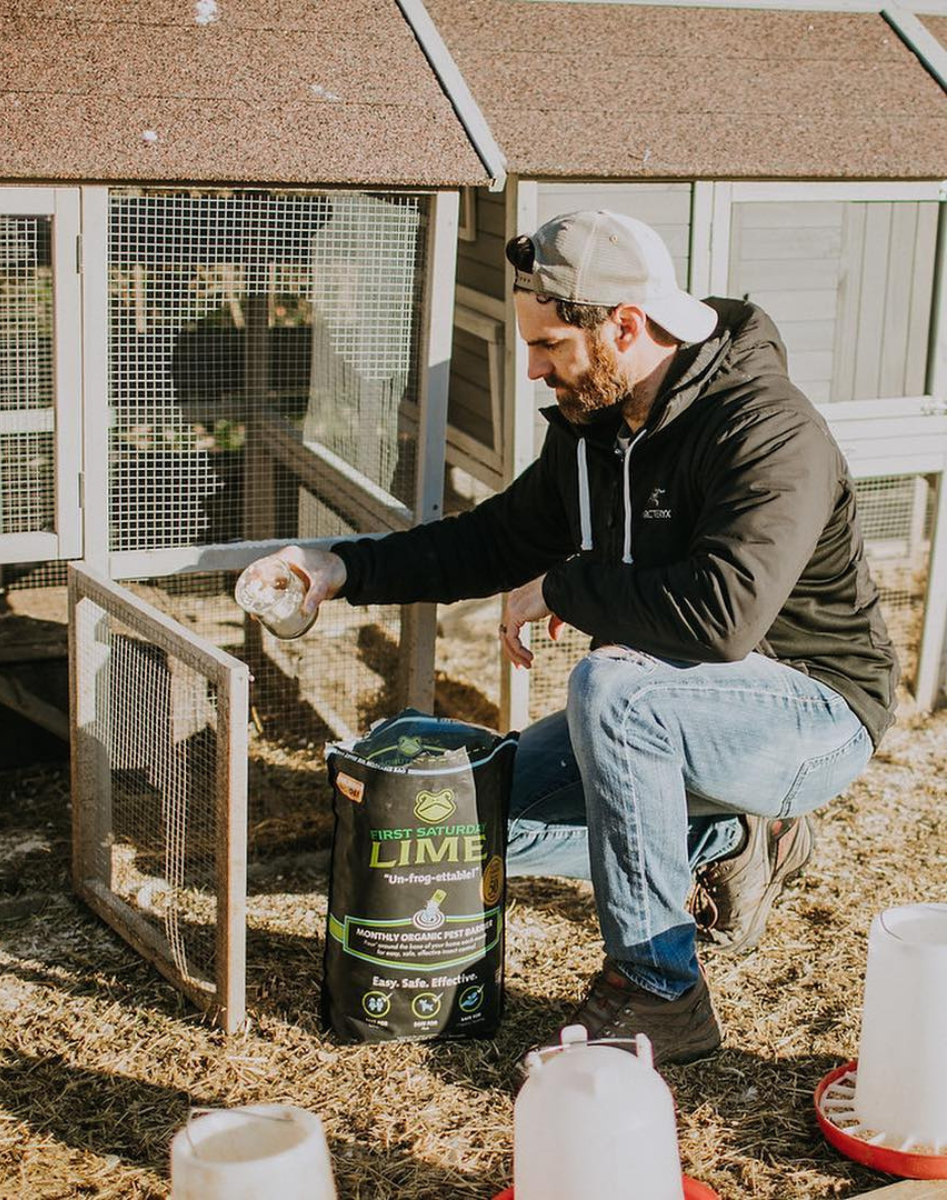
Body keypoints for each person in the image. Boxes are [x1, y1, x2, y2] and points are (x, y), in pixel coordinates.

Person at [239, 209, 898, 1066]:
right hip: (669, 700)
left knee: (612, 688)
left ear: (624, 325)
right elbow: (488, 541)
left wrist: (566, 586)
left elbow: (724, 616)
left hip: (811, 710)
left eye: (549, 346)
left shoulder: (768, 431)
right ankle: (729, 839)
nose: (531, 367)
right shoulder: (597, 430)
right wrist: (339, 568)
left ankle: (662, 989)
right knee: (459, 831)